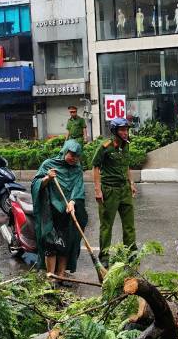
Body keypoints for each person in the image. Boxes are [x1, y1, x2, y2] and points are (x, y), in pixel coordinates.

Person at [31, 139, 87, 281]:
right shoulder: (49, 165)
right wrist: (47, 178)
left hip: (67, 213)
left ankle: (61, 276)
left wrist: (73, 202)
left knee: (65, 245)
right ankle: (51, 278)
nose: (74, 158)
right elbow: (36, 185)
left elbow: (78, 188)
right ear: (64, 151)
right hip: (50, 212)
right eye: (71, 154)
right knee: (50, 244)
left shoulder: (77, 169)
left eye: (77, 156)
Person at [93, 117, 138, 262]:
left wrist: (131, 183)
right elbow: (96, 167)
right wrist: (98, 190)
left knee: (129, 226)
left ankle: (131, 254)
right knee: (106, 226)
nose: (125, 133)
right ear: (115, 131)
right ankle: (104, 257)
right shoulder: (106, 146)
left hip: (124, 189)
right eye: (122, 130)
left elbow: (127, 166)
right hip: (109, 190)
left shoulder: (126, 145)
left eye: (127, 130)